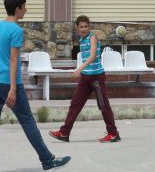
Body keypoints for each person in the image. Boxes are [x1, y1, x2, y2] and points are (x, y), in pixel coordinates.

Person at [0, 0, 71, 172]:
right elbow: (13, 60)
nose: (26, 10)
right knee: (28, 122)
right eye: (24, 7)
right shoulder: (16, 31)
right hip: (10, 83)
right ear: (17, 8)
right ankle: (48, 161)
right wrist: (13, 88)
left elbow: (0, 55)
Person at [49, 15, 120, 143]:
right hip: (85, 77)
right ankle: (64, 133)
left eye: (86, 26)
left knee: (103, 105)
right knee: (75, 104)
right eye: (81, 27)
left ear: (89, 27)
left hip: (96, 77)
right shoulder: (81, 39)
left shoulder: (92, 37)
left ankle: (113, 133)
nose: (83, 29)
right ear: (77, 28)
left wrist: (78, 69)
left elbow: (92, 56)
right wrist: (82, 71)